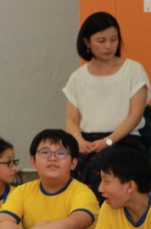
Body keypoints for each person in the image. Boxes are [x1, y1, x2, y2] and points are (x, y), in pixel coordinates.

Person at [64, 12, 150, 195]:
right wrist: (79, 140)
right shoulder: (78, 77)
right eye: (101, 40)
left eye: (114, 39)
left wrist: (107, 141)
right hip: (88, 142)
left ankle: (99, 212)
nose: (109, 46)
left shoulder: (133, 70)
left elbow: (136, 115)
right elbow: (72, 119)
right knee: (67, 163)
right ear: (87, 42)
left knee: (100, 165)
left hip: (125, 140)